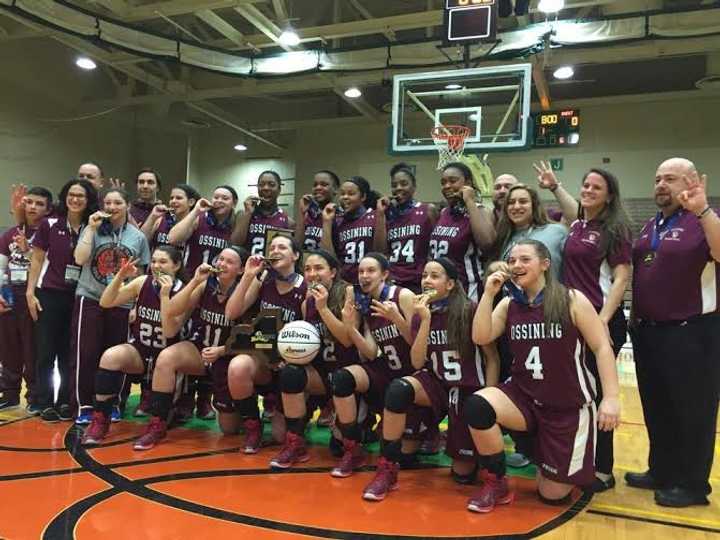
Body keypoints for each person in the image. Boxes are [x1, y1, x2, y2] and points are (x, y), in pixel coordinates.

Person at [468, 239, 620, 513]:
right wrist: (489, 294)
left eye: (525, 259)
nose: (516, 265)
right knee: (478, 405)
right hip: (524, 399)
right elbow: (480, 336)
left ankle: (546, 457)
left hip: (565, 408)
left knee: (552, 495)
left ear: (545, 264)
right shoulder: (508, 305)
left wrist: (610, 398)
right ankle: (496, 481)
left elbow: (601, 347)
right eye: (512, 260)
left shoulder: (571, 299)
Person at [361, 258, 500, 501]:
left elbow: (493, 358)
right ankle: (387, 468)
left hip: (467, 390)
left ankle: (488, 469)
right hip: (436, 384)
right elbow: (416, 362)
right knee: (398, 389)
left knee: (463, 473)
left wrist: (489, 399)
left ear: (451, 284)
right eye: (424, 275)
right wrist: (424, 320)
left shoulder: (470, 309)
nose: (427, 280)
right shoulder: (421, 313)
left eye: (435, 276)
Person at [626, 158, 720, 507]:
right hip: (650, 332)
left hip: (692, 332)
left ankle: (694, 485)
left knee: (692, 410)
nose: (661, 185)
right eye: (657, 178)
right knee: (658, 406)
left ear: (691, 182)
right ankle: (662, 470)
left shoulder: (703, 220)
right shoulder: (652, 223)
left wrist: (704, 210)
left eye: (670, 178)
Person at [540, 165, 632, 492]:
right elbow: (570, 207)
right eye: (586, 185)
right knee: (579, 394)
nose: (589, 190)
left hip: (601, 320)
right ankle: (581, 460)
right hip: (572, 322)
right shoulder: (578, 224)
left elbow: (621, 278)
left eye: (597, 187)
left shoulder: (614, 229)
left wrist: (604, 320)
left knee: (596, 396)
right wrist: (554, 186)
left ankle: (603, 469)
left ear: (609, 196)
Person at [132, 246, 245, 450]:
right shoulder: (206, 285)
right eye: (220, 259)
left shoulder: (246, 290)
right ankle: (158, 423)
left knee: (229, 429)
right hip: (201, 351)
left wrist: (222, 351)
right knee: (166, 358)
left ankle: (250, 415)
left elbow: (254, 335)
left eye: (229, 261)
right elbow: (173, 310)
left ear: (241, 269)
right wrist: (195, 280)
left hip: (230, 357)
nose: (222, 264)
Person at [80, 246, 186, 444]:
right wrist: (120, 276)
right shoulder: (142, 282)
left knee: (165, 361)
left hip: (170, 357)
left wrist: (164, 295)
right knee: (111, 356)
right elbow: (106, 301)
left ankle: (157, 424)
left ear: (177, 265)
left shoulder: (183, 290)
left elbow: (170, 331)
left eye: (163, 262)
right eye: (153, 261)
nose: (156, 266)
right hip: (142, 349)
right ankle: (101, 419)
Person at [269, 249, 359, 469]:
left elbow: (348, 341)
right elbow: (305, 342)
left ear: (333, 272)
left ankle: (352, 447)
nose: (312, 273)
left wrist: (323, 309)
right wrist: (290, 354)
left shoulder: (348, 293)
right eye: (307, 269)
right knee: (290, 373)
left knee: (337, 448)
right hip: (321, 374)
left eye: (319, 268)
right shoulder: (306, 303)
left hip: (350, 378)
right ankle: (295, 444)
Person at [330, 253, 415, 478]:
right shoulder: (366, 303)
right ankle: (352, 446)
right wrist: (351, 327)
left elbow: (419, 346)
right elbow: (369, 350)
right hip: (386, 370)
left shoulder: (403, 296)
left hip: (413, 376)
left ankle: (426, 434)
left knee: (407, 456)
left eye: (371, 271)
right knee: (342, 378)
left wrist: (397, 319)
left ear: (384, 274)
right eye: (361, 272)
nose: (364, 276)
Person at [71, 188, 151, 423]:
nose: (112, 207)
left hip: (123, 302)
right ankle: (84, 404)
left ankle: (114, 402)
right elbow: (80, 258)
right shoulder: (91, 229)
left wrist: (137, 304)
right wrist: (91, 228)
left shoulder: (137, 237)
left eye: (117, 202)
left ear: (127, 205)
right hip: (91, 296)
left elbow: (143, 275)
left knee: (118, 354)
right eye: (107, 202)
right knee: (85, 353)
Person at [224, 235, 307, 453]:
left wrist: (288, 357)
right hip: (265, 360)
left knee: (281, 437)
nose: (275, 250)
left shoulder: (305, 287)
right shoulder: (263, 280)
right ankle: (253, 428)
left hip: (293, 366)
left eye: (282, 247)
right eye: (272, 247)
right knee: (237, 367)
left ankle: (290, 416)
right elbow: (232, 312)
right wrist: (249, 276)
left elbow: (310, 338)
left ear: (295, 255)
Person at [27, 180, 98, 422]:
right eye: (71, 194)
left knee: (69, 352)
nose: (75, 199)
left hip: (78, 296)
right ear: (65, 197)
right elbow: (36, 260)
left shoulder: (93, 227)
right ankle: (44, 401)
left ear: (88, 201)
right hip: (49, 293)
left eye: (81, 196)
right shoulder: (49, 224)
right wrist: (30, 293)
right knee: (46, 351)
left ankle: (66, 401)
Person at [0, 187, 52, 412]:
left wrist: (28, 250)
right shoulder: (10, 233)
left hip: (34, 297)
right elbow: (0, 265)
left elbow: (47, 267)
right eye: (29, 202)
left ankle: (34, 395)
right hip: (10, 298)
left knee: (33, 350)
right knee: (8, 348)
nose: (32, 207)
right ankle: (10, 394)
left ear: (49, 209)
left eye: (39, 204)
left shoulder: (50, 233)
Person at [429, 162, 495, 301]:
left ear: (468, 183)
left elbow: (488, 243)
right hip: (442, 291)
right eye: (443, 182)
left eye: (453, 181)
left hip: (467, 291)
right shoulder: (443, 212)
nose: (447, 186)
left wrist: (469, 201)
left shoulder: (481, 210)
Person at [376, 163, 436, 293]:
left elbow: (434, 249)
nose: (398, 188)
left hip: (418, 281)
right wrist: (380, 214)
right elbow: (380, 250)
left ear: (414, 187)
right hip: (393, 281)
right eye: (394, 185)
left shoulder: (427, 210)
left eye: (404, 184)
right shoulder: (387, 214)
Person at [495, 184, 567, 280]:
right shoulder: (504, 237)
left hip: (552, 293)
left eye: (523, 201)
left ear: (534, 205)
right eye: (511, 202)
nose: (516, 206)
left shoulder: (557, 231)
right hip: (512, 294)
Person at [321, 177, 384, 283]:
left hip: (369, 281)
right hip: (345, 282)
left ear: (363, 197)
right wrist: (326, 222)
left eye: (351, 194)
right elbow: (328, 255)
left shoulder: (374, 216)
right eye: (342, 194)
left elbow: (381, 251)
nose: (345, 197)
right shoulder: (337, 221)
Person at [169, 185, 237, 275]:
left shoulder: (235, 224)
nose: (219, 201)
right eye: (216, 197)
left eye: (225, 198)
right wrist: (195, 211)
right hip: (190, 278)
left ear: (234, 203)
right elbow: (172, 239)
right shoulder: (199, 218)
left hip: (217, 281)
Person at [232, 170, 293, 256]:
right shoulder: (243, 214)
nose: (266, 188)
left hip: (272, 268)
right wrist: (248, 213)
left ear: (279, 190)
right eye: (261, 185)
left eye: (271, 184)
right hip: (247, 267)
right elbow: (234, 244)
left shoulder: (288, 221)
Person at [295, 170, 340, 251]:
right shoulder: (309, 215)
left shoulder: (340, 217)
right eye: (315, 185)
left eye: (324, 184)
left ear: (335, 189)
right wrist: (302, 213)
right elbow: (296, 247)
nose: (318, 188)